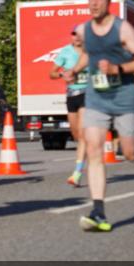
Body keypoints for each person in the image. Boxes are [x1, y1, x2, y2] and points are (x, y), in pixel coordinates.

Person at [62, 0, 134, 232]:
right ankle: (98, 211)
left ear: (108, 1)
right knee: (94, 150)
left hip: (124, 97)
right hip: (96, 98)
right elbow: (87, 55)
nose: (94, 3)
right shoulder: (84, 30)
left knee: (129, 153)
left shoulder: (123, 29)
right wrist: (73, 70)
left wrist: (119, 69)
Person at [50, 25, 88, 187]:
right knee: (76, 135)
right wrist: (61, 74)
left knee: (83, 133)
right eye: (74, 34)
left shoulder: (90, 52)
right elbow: (51, 73)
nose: (77, 37)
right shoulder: (65, 52)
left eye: (80, 35)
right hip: (71, 95)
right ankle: (87, 153)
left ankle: (77, 172)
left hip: (88, 93)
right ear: (71, 36)